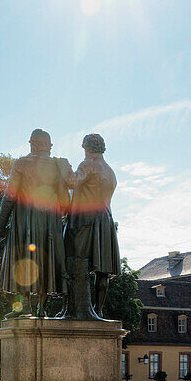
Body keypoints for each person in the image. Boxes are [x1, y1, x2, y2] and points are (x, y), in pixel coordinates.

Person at [0, 128, 72, 317]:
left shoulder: (22, 163)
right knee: (47, 259)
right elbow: (65, 199)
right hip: (50, 219)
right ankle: (41, 308)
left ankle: (24, 306)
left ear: (32, 144)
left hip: (25, 219)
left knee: (23, 259)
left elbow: (9, 196)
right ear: (49, 146)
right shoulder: (58, 165)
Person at [63, 133, 121, 317]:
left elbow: (72, 181)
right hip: (105, 220)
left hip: (86, 220)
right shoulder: (110, 171)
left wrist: (64, 166)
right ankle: (99, 311)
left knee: (75, 263)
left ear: (87, 148)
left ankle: (72, 310)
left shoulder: (88, 164)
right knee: (102, 271)